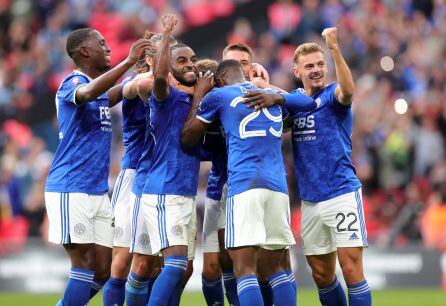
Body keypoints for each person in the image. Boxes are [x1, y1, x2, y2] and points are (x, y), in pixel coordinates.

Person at [243, 27, 371, 306]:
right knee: (322, 275)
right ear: (297, 71)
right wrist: (263, 84)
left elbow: (349, 89)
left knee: (350, 269)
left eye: (320, 64)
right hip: (311, 200)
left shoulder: (333, 97)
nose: (316, 70)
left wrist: (334, 48)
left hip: (341, 194)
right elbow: (284, 102)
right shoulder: (295, 102)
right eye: (309, 66)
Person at [182, 59, 316, 306]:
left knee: (244, 270)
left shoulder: (220, 95)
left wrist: (201, 93)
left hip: (244, 186)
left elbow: (188, 137)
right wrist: (278, 97)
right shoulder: (269, 93)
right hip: (278, 188)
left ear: (219, 80)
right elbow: (309, 103)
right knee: (277, 269)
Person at [44, 28, 150, 306]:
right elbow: (90, 93)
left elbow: (110, 95)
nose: (108, 48)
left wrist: (138, 75)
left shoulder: (97, 88)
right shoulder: (73, 82)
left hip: (97, 191)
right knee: (84, 264)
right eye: (101, 44)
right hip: (70, 187)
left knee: (103, 270)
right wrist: (127, 63)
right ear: (84, 51)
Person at [103, 31, 173, 306]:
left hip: (166, 178)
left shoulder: (173, 86)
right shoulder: (135, 81)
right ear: (148, 57)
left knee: (154, 264)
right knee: (121, 261)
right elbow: (138, 87)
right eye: (163, 52)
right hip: (134, 176)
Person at [140, 14, 200, 306]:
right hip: (164, 191)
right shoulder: (164, 98)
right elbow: (160, 77)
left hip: (185, 193)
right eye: (182, 61)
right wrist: (166, 34)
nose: (189, 64)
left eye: (192, 60)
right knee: (174, 264)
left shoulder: (196, 99)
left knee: (183, 269)